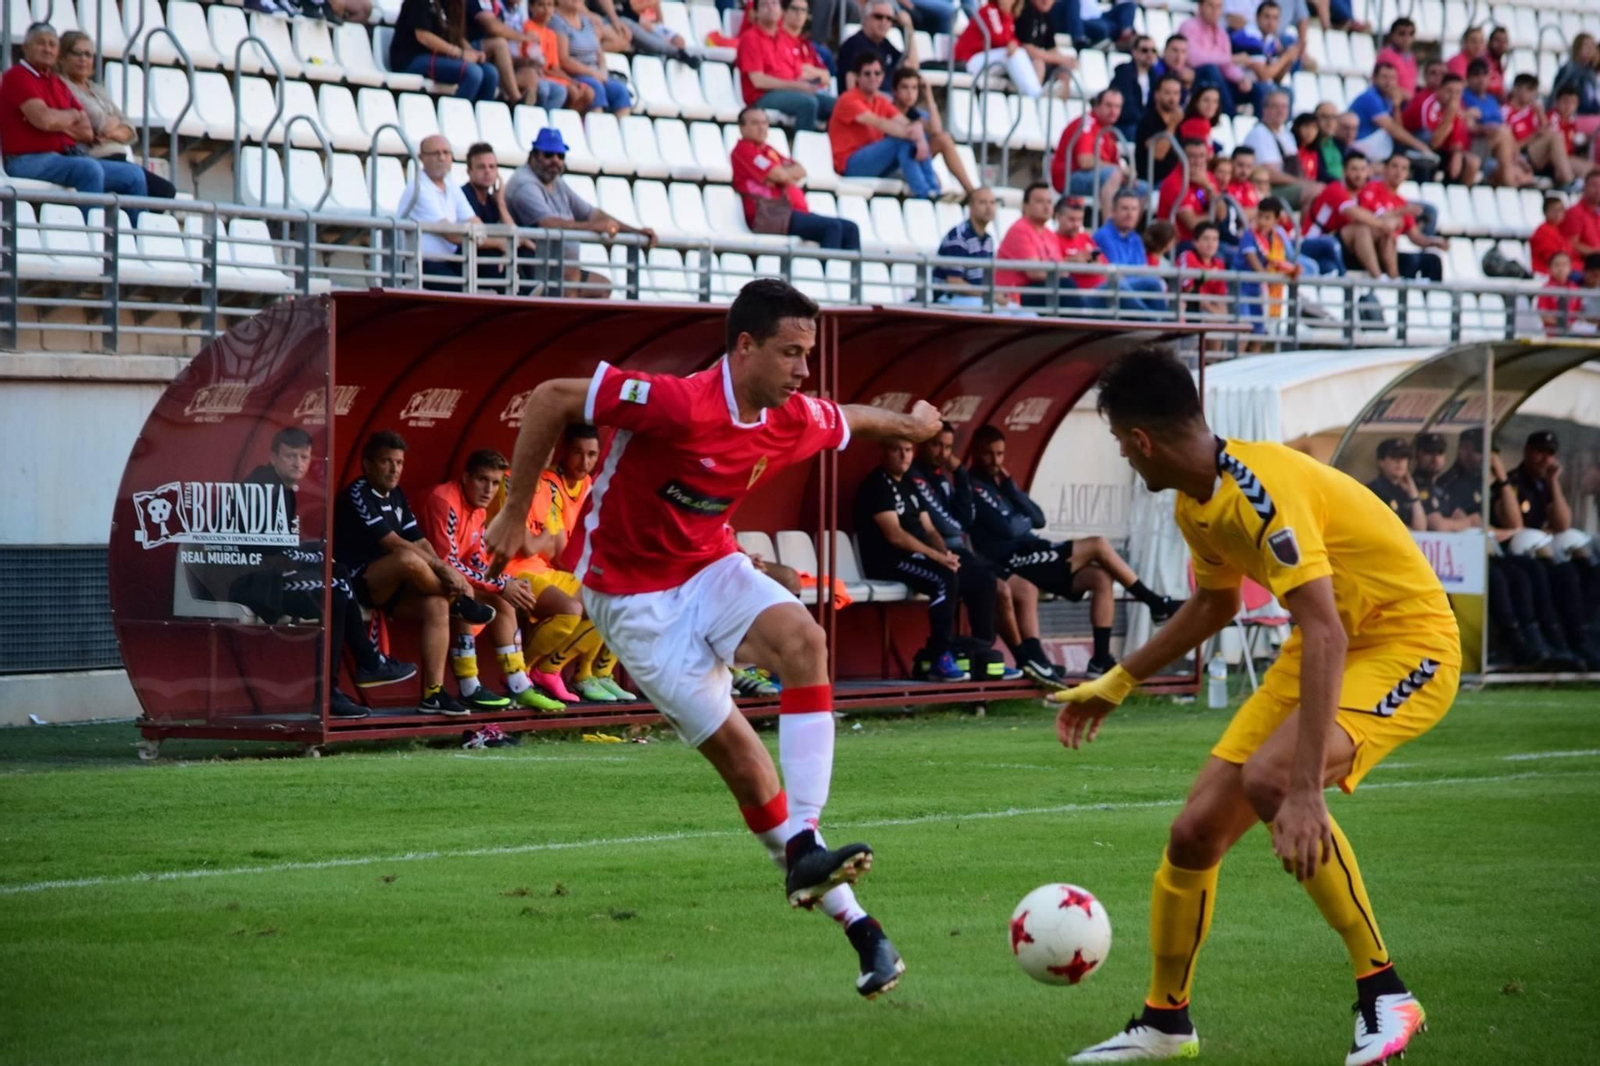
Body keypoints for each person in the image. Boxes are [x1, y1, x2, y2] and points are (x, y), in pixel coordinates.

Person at [483, 279, 944, 998]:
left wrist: (911, 430)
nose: (802, 370)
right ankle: (861, 927)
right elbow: (550, 398)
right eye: (790, 353)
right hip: (632, 601)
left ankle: (809, 838)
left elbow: (851, 417)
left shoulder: (791, 416)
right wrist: (514, 510)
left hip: (709, 568)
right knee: (745, 762)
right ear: (744, 347)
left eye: (808, 355)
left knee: (804, 639)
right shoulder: (678, 401)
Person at [1055, 345, 1457, 1066]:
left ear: (1140, 440)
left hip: (1406, 644)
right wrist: (1117, 681)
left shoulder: (1260, 490)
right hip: (1325, 647)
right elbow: (1213, 604)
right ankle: (1164, 1024)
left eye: (1120, 443)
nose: (1125, 457)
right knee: (1193, 836)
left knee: (1274, 781)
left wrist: (1305, 790)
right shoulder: (1194, 502)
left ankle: (1385, 992)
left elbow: (1327, 627)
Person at [969, 423, 1180, 683]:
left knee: (1101, 578)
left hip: (1035, 553)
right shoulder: (974, 486)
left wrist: (1011, 488)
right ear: (976, 454)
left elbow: (1037, 519)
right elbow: (1009, 527)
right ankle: (1155, 603)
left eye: (1000, 454)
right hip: (1014, 561)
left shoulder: (1002, 486)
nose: (995, 460)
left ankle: (1100, 659)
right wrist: (1017, 518)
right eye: (988, 454)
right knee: (1098, 544)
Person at [239, 428, 416, 720]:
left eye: (304, 456)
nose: (298, 463)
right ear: (273, 457)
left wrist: (317, 553)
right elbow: (271, 555)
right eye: (290, 456)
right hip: (250, 584)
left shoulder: (282, 489)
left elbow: (282, 551)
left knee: (338, 575)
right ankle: (343, 681)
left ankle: (364, 666)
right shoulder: (263, 487)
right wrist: (317, 553)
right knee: (335, 584)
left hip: (268, 579)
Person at [336, 431, 497, 717]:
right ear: (367, 464)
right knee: (406, 557)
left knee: (436, 604)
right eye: (387, 461)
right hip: (357, 583)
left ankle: (433, 694)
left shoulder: (397, 494)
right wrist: (442, 569)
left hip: (394, 586)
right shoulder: (358, 493)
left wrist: (443, 567)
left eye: (399, 462)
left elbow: (419, 538)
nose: (394, 468)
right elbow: (393, 542)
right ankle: (458, 602)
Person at [418, 450, 566, 713]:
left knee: (501, 598)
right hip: (418, 581)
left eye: (496, 482)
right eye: (482, 480)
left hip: (444, 580)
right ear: (465, 478)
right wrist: (499, 584)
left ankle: (519, 684)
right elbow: (447, 561)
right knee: (466, 595)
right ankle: (468, 686)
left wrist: (506, 582)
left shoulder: (479, 510)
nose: (489, 489)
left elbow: (476, 559)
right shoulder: (444, 500)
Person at [857, 436, 1001, 682]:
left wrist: (945, 555)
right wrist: (937, 558)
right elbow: (895, 536)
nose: (904, 456)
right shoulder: (876, 484)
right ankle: (938, 655)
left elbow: (931, 529)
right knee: (944, 578)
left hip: (919, 556)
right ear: (883, 451)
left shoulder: (909, 484)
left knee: (984, 579)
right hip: (888, 561)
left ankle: (981, 653)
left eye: (908, 450)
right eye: (896, 449)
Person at [908, 423, 1036, 682]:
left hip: (954, 549)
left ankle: (983, 655)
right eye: (936, 445)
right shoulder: (915, 476)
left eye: (947, 447)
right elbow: (949, 524)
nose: (942, 453)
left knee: (991, 583)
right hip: (929, 551)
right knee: (972, 581)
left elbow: (965, 516)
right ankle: (946, 655)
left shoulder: (943, 475)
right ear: (921, 444)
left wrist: (959, 473)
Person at [0, 24, 148, 202]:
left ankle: (128, 231)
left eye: (52, 45)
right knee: (88, 169)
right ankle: (91, 229)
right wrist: (72, 116)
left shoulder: (56, 82)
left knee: (134, 175)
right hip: (27, 160)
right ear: (25, 47)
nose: (47, 49)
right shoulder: (17, 76)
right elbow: (45, 120)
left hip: (64, 158)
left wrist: (57, 120)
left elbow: (86, 132)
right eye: (41, 43)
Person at [505, 128, 656, 298]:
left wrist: (635, 231)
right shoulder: (524, 184)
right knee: (570, 288)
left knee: (601, 287)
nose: (555, 161)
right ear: (533, 156)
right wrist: (594, 227)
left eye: (560, 156)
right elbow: (548, 223)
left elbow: (592, 214)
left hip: (563, 269)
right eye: (548, 155)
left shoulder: (556, 182)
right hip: (536, 272)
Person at [55, 32, 175, 201]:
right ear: (62, 57)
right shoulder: (62, 85)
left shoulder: (97, 89)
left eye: (88, 54)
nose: (83, 59)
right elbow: (98, 122)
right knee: (155, 188)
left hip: (118, 157)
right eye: (77, 53)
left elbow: (130, 129)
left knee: (166, 190)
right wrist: (112, 124)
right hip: (93, 158)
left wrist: (109, 132)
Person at [732, 107, 861, 250]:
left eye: (764, 123)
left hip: (788, 212)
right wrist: (783, 175)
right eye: (755, 123)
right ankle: (828, 272)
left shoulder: (768, 150)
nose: (762, 128)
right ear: (742, 128)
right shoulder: (744, 150)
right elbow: (779, 175)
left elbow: (800, 170)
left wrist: (782, 176)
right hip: (769, 214)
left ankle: (848, 272)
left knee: (850, 229)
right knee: (832, 228)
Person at [828, 55, 939, 198]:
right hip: (850, 164)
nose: (872, 77)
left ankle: (933, 190)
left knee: (911, 138)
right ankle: (925, 192)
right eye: (867, 73)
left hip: (873, 161)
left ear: (882, 76)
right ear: (857, 77)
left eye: (877, 73)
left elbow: (906, 123)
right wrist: (916, 135)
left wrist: (919, 137)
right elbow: (879, 122)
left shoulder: (881, 101)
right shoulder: (848, 99)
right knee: (902, 140)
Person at [401, 134, 498, 291]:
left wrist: (494, 246)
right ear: (421, 158)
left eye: (446, 153)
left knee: (493, 265)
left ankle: (525, 298)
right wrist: (500, 244)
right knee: (460, 289)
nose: (441, 157)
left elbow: (475, 224)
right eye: (435, 153)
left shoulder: (451, 186)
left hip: (449, 260)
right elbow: (451, 235)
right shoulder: (418, 189)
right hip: (419, 263)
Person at [737, 0, 834, 132]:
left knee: (838, 105)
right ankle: (803, 146)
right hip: (762, 96)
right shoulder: (750, 38)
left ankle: (832, 149)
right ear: (755, 13)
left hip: (792, 91)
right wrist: (797, 85)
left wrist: (806, 83)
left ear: (781, 11)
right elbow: (758, 81)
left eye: (774, 4)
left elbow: (797, 72)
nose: (771, 8)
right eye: (765, 5)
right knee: (808, 103)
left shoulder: (785, 39)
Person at [891, 67, 978, 199]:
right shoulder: (886, 109)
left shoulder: (917, 115)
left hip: (915, 163)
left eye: (914, 88)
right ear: (895, 90)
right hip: (893, 164)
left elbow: (937, 131)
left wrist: (929, 97)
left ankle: (971, 192)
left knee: (943, 139)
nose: (910, 93)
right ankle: (928, 192)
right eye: (905, 87)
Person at [1357, 153, 1446, 282]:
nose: (1398, 172)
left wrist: (1434, 242)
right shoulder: (1371, 188)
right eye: (1394, 166)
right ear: (1385, 169)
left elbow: (1415, 237)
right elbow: (1369, 216)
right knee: (1392, 230)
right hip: (1368, 249)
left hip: (1390, 252)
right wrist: (1400, 212)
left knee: (1432, 260)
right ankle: (1394, 281)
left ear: (1407, 174)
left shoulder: (1402, 202)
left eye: (1404, 168)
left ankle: (1430, 298)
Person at [390, 0, 501, 101]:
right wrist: (460, 53)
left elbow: (455, 35)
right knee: (472, 73)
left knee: (491, 73)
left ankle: (476, 119)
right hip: (411, 59)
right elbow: (423, 36)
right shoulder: (419, 2)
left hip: (437, 57)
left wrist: (472, 52)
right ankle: (456, 117)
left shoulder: (446, 3)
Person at [1051, 88, 1133, 219]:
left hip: (1094, 176)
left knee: (1141, 188)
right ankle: (1109, 231)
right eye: (1108, 105)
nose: (1113, 111)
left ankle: (1126, 233)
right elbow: (1085, 161)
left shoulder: (1108, 130)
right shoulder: (1087, 124)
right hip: (1068, 178)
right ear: (1097, 106)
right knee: (1114, 174)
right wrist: (1119, 170)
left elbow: (1113, 164)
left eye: (1117, 107)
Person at [1234, 194, 1300, 343]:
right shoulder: (1249, 235)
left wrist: (1291, 270)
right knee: (1243, 330)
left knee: (1259, 333)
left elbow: (1282, 261)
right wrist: (1267, 277)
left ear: (1276, 220)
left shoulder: (1278, 238)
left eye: (1267, 218)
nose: (1262, 221)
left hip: (1259, 291)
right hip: (1242, 289)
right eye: (1260, 216)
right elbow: (1252, 259)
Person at [1092, 188, 1169, 313]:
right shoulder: (1103, 236)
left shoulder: (1136, 238)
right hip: (1112, 291)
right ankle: (1156, 322)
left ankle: (1160, 322)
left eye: (1134, 209)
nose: (1130, 214)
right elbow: (1116, 275)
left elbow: (1142, 270)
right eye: (1125, 209)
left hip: (1132, 289)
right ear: (1113, 211)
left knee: (1157, 283)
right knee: (1152, 284)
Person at [1241, 89, 1320, 207]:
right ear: (1265, 109)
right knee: (1315, 191)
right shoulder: (1259, 134)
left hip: (1290, 185)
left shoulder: (1286, 134)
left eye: (1284, 107)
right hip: (1269, 190)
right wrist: (1300, 182)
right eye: (1275, 106)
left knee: (1325, 190)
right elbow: (1269, 174)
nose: (1281, 111)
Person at [552, 0, 632, 114]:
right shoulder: (556, 21)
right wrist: (593, 73)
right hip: (573, 74)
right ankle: (596, 126)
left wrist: (602, 72)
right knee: (596, 88)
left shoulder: (586, 20)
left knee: (620, 91)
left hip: (596, 73)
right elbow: (564, 59)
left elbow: (598, 52)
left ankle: (622, 128)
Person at [1347, 61, 1436, 162]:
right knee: (1418, 140)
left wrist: (1396, 105)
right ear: (1374, 79)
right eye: (1384, 77)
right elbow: (1393, 130)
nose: (1388, 82)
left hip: (1375, 143)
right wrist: (1421, 147)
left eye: (1392, 78)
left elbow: (1398, 127)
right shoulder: (1370, 97)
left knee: (1421, 135)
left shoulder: (1387, 97)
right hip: (1360, 144)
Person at [1178, 0, 1255, 117]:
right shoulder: (1189, 26)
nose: (1215, 11)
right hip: (1195, 79)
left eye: (1218, 7)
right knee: (1210, 69)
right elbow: (1194, 59)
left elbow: (1226, 66)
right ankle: (1230, 114)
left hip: (1219, 81)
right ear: (1200, 7)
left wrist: (1240, 78)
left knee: (1259, 89)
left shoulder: (1221, 32)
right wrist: (1231, 58)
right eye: (1210, 6)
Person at [1463, 59, 1531, 189]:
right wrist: (1485, 128)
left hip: (1496, 150)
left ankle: (1508, 176)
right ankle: (1508, 180)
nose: (1481, 79)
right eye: (1476, 75)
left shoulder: (1492, 100)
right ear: (1468, 78)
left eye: (1484, 75)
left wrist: (1516, 154)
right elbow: (1467, 126)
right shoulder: (1464, 97)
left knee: (1524, 173)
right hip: (1475, 146)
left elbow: (1505, 130)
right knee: (1502, 132)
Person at [954, 0, 1043, 98]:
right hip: (967, 62)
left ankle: (1035, 94)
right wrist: (1013, 43)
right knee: (1015, 54)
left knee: (1029, 58)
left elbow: (1010, 40)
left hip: (985, 62)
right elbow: (998, 38)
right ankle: (1036, 96)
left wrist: (1014, 43)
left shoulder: (1007, 16)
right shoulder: (990, 10)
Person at [1505, 74, 1582, 188]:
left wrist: (1540, 113)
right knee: (1554, 137)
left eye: (1532, 91)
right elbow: (1510, 147)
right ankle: (1568, 181)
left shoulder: (1532, 113)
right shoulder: (1506, 112)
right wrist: (1534, 135)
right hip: (1522, 155)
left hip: (1539, 156)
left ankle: (1568, 180)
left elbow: (1545, 129)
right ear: (1515, 89)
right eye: (1527, 89)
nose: (1529, 95)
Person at [995, 182, 1063, 307]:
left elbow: (1062, 270)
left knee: (1065, 285)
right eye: (1040, 201)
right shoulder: (1020, 230)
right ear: (1025, 206)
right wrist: (1058, 271)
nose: (1046, 206)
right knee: (1064, 285)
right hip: (1016, 295)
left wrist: (1059, 271)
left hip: (1039, 290)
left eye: (1049, 202)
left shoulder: (1050, 234)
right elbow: (1035, 273)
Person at [933, 186, 998, 305]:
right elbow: (954, 282)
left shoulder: (988, 240)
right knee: (996, 311)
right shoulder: (958, 237)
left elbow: (986, 279)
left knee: (1021, 313)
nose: (989, 207)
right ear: (971, 207)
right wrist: (988, 295)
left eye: (992, 202)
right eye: (982, 202)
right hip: (948, 298)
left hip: (976, 297)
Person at [520, 0, 588, 111]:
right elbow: (540, 66)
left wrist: (572, 81)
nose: (546, 9)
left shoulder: (551, 34)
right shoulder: (528, 28)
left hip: (549, 75)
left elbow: (554, 67)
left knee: (586, 92)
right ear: (531, 8)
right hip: (536, 73)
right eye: (541, 5)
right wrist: (570, 83)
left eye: (550, 5)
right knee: (559, 90)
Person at [836, 0, 917, 92]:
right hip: (867, 103)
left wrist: (909, 29)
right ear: (866, 18)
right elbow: (852, 86)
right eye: (878, 17)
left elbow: (911, 69)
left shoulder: (885, 44)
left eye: (889, 18)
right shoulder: (853, 45)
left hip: (886, 101)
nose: (884, 21)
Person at [1415, 73, 1479, 186]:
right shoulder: (1429, 104)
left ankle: (1457, 196)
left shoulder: (1458, 105)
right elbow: (1433, 143)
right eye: (1450, 91)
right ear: (1439, 90)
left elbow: (1459, 138)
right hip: (1417, 147)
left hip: (1443, 151)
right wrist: (1449, 115)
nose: (1454, 96)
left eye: (1458, 93)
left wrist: (1457, 153)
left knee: (1472, 162)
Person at [1233, 1, 1303, 102]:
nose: (1271, 22)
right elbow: (1264, 75)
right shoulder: (1249, 36)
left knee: (1287, 92)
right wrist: (1286, 57)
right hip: (1238, 85)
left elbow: (1277, 78)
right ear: (1257, 18)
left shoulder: (1271, 40)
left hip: (1255, 85)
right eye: (1267, 17)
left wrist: (1288, 62)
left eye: (1275, 18)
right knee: (1267, 90)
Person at [1157, 138, 1220, 247]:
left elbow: (1222, 213)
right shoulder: (1174, 182)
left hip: (1204, 241)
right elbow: (1193, 225)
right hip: (1177, 243)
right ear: (1181, 158)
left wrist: (1207, 186)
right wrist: (1215, 217)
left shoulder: (1207, 177)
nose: (1197, 161)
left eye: (1201, 156)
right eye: (1192, 156)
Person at [1134, 74, 1186, 187]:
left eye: (1176, 93)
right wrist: (1172, 126)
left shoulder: (1181, 122)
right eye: (1167, 93)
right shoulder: (1148, 121)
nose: (1172, 98)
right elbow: (1157, 154)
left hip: (1176, 180)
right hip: (1152, 182)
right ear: (1157, 95)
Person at [1363, 437, 1425, 531]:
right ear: (1381, 462)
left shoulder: (1406, 490)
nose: (1400, 462)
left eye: (1404, 457)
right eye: (1394, 457)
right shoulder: (1373, 490)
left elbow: (1421, 528)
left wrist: (1414, 494)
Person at [1176, 221, 1228, 325]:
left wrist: (1222, 315)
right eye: (1206, 239)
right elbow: (1188, 289)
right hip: (1189, 308)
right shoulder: (1187, 256)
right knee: (1216, 323)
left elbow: (1220, 296)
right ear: (1195, 242)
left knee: (1242, 325)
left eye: (1215, 239)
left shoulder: (1219, 263)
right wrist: (1215, 313)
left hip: (1210, 309)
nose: (1211, 244)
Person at [1109, 35, 1160, 137]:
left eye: (1153, 51)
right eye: (1144, 50)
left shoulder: (1154, 76)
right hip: (1125, 124)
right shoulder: (1124, 73)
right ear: (1134, 52)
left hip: (1142, 124)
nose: (1150, 54)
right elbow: (1126, 108)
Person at [1550, 32, 1599, 118]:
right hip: (1575, 116)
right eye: (1586, 46)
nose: (1590, 50)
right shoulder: (1568, 70)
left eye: (1592, 47)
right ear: (1578, 47)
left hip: (1590, 114)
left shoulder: (1589, 72)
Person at [1056, 0, 1138, 50]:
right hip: (1078, 22)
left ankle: (1125, 34)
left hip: (1099, 17)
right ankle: (1078, 37)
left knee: (1129, 5)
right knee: (1103, 29)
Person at [1372, 16, 1418, 102]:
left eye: (1411, 34)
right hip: (1390, 103)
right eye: (1401, 34)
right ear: (1392, 35)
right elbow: (1385, 86)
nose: (1406, 38)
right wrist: (1413, 98)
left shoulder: (1411, 56)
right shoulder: (1386, 55)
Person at [1537, 250, 1582, 333]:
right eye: (1557, 265)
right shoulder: (1546, 290)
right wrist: (1564, 325)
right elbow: (1544, 316)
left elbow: (1580, 312)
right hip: (1553, 333)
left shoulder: (1576, 289)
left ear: (1570, 267)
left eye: (1564, 265)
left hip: (1575, 333)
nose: (1561, 269)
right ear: (1549, 268)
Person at [1561, 171, 1600, 262]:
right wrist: (1596, 254)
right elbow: (1572, 244)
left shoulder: (1596, 212)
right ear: (1585, 187)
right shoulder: (1575, 212)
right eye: (1594, 185)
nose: (1598, 190)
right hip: (1583, 266)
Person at [1531, 195, 1573, 277]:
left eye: (1561, 210)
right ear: (1545, 212)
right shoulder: (1542, 231)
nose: (1558, 213)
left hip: (1562, 272)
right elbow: (1552, 259)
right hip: (1545, 273)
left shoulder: (1561, 230)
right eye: (1554, 210)